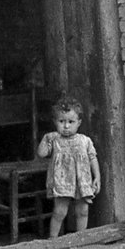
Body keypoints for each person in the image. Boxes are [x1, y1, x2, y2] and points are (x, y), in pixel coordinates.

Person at [37, 95, 101, 238]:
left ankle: (81, 238)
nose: (66, 126)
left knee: (82, 210)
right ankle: (53, 239)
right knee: (60, 211)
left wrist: (97, 177)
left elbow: (92, 158)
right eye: (61, 121)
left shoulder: (85, 140)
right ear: (55, 122)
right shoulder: (54, 139)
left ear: (79, 122)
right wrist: (45, 139)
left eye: (71, 122)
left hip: (82, 180)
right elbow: (41, 154)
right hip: (62, 181)